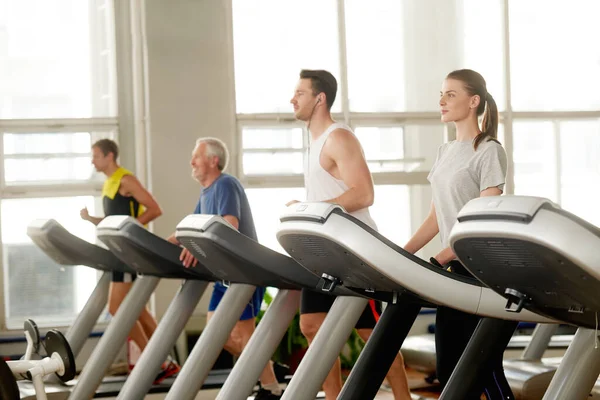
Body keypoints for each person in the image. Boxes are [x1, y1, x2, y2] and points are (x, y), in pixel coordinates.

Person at [288, 69, 412, 400]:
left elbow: (363, 194)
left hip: (355, 251)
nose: (292, 99)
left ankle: (403, 398)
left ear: (319, 98)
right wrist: (306, 209)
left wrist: (314, 209)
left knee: (371, 334)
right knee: (312, 325)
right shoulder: (314, 143)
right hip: (325, 248)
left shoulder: (338, 138)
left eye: (300, 93)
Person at [403, 69, 512, 399]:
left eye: (451, 94)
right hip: (455, 269)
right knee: (450, 366)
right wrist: (402, 254)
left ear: (473, 101)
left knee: (481, 365)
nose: (442, 100)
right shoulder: (445, 152)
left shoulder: (489, 150)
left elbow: (482, 218)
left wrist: (444, 255)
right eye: (441, 93)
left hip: (482, 270)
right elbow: (437, 216)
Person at [167, 137, 284, 400]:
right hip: (224, 275)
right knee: (215, 335)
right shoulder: (206, 192)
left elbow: (229, 224)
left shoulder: (226, 184)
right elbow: (190, 226)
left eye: (196, 156)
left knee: (243, 334)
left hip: (243, 272)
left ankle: (272, 388)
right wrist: (161, 244)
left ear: (213, 160)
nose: (191, 162)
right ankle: (267, 369)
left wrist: (195, 243)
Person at [80, 139, 179, 382]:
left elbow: (155, 209)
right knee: (139, 310)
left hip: (126, 251)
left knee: (116, 308)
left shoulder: (126, 180)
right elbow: (116, 218)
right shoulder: (110, 184)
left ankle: (155, 361)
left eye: (96, 156)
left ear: (109, 156)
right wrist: (93, 219)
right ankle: (167, 360)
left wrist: (130, 229)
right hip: (118, 249)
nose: (93, 161)